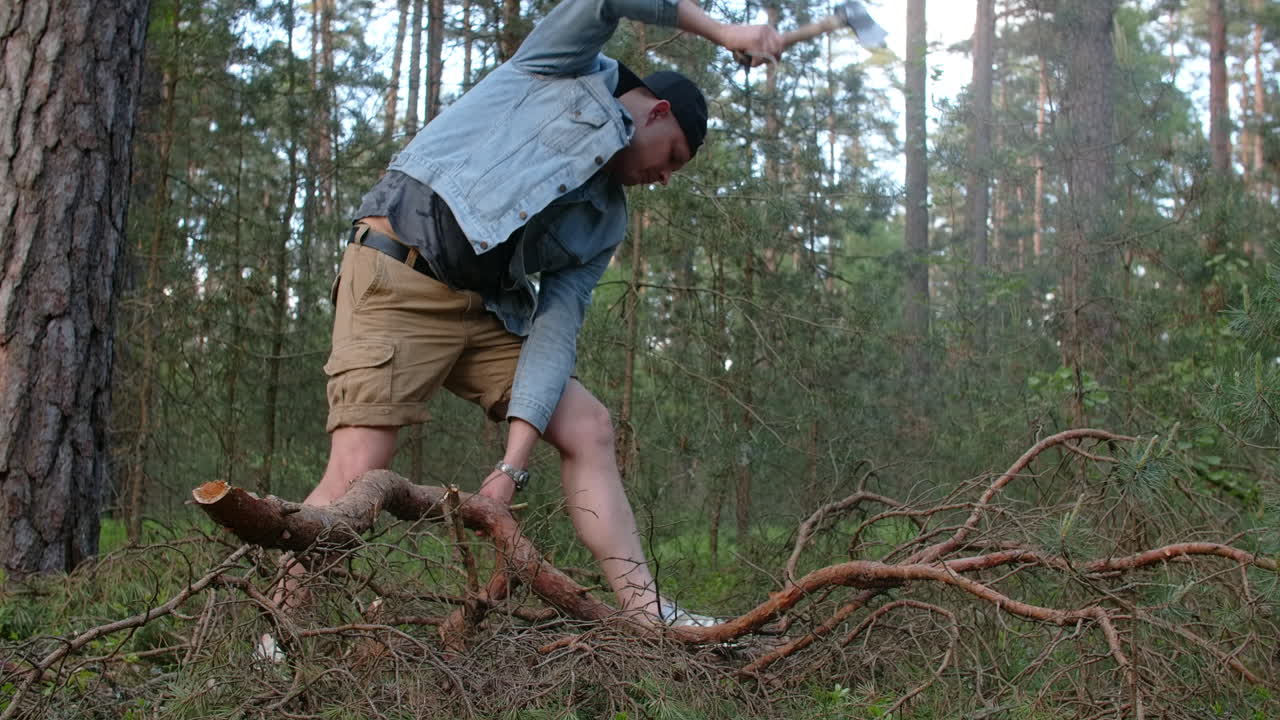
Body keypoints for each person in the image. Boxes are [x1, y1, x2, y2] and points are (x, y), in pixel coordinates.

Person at [292, 0, 782, 629]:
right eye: (674, 156)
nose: (664, 178)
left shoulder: (605, 221)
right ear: (657, 111)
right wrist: (725, 31)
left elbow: (554, 333)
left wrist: (511, 467)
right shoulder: (568, 66)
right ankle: (281, 624)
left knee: (589, 427)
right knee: (359, 471)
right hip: (400, 272)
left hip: (486, 306)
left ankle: (647, 613)